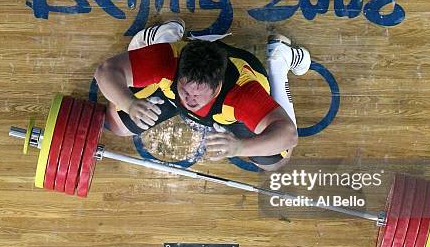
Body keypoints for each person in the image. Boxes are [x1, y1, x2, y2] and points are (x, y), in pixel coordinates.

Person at [94, 19, 311, 171]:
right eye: (185, 90)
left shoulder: (243, 95)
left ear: (216, 89)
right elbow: (106, 71)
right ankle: (164, 36)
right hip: (177, 69)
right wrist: (129, 103)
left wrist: (239, 147)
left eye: (198, 96)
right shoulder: (167, 61)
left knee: (275, 161)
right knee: (117, 123)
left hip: (235, 103)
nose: (189, 100)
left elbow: (288, 136)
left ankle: (278, 63)